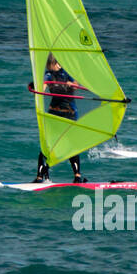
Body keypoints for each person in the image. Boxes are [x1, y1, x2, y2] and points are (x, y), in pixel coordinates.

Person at [35, 54, 85, 183]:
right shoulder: (49, 75)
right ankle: (40, 176)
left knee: (71, 144)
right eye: (55, 62)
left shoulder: (66, 73)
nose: (58, 64)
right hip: (55, 113)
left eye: (58, 62)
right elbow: (43, 86)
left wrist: (71, 83)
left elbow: (76, 84)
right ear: (50, 64)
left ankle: (77, 176)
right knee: (47, 145)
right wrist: (38, 88)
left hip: (70, 112)